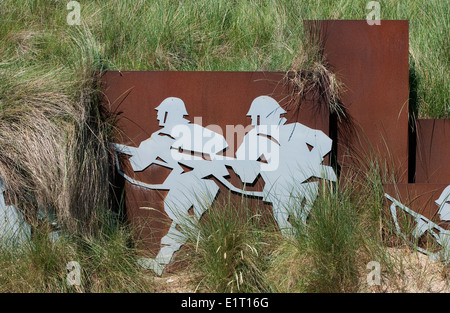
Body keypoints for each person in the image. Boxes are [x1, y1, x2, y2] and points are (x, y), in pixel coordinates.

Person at [234, 96, 336, 236]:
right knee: (285, 222)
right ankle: (297, 249)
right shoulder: (253, 137)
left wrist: (310, 163)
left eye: (255, 117)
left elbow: (325, 142)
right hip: (280, 191)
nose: (252, 122)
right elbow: (245, 171)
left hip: (304, 187)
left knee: (298, 223)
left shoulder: (295, 129)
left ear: (267, 115)